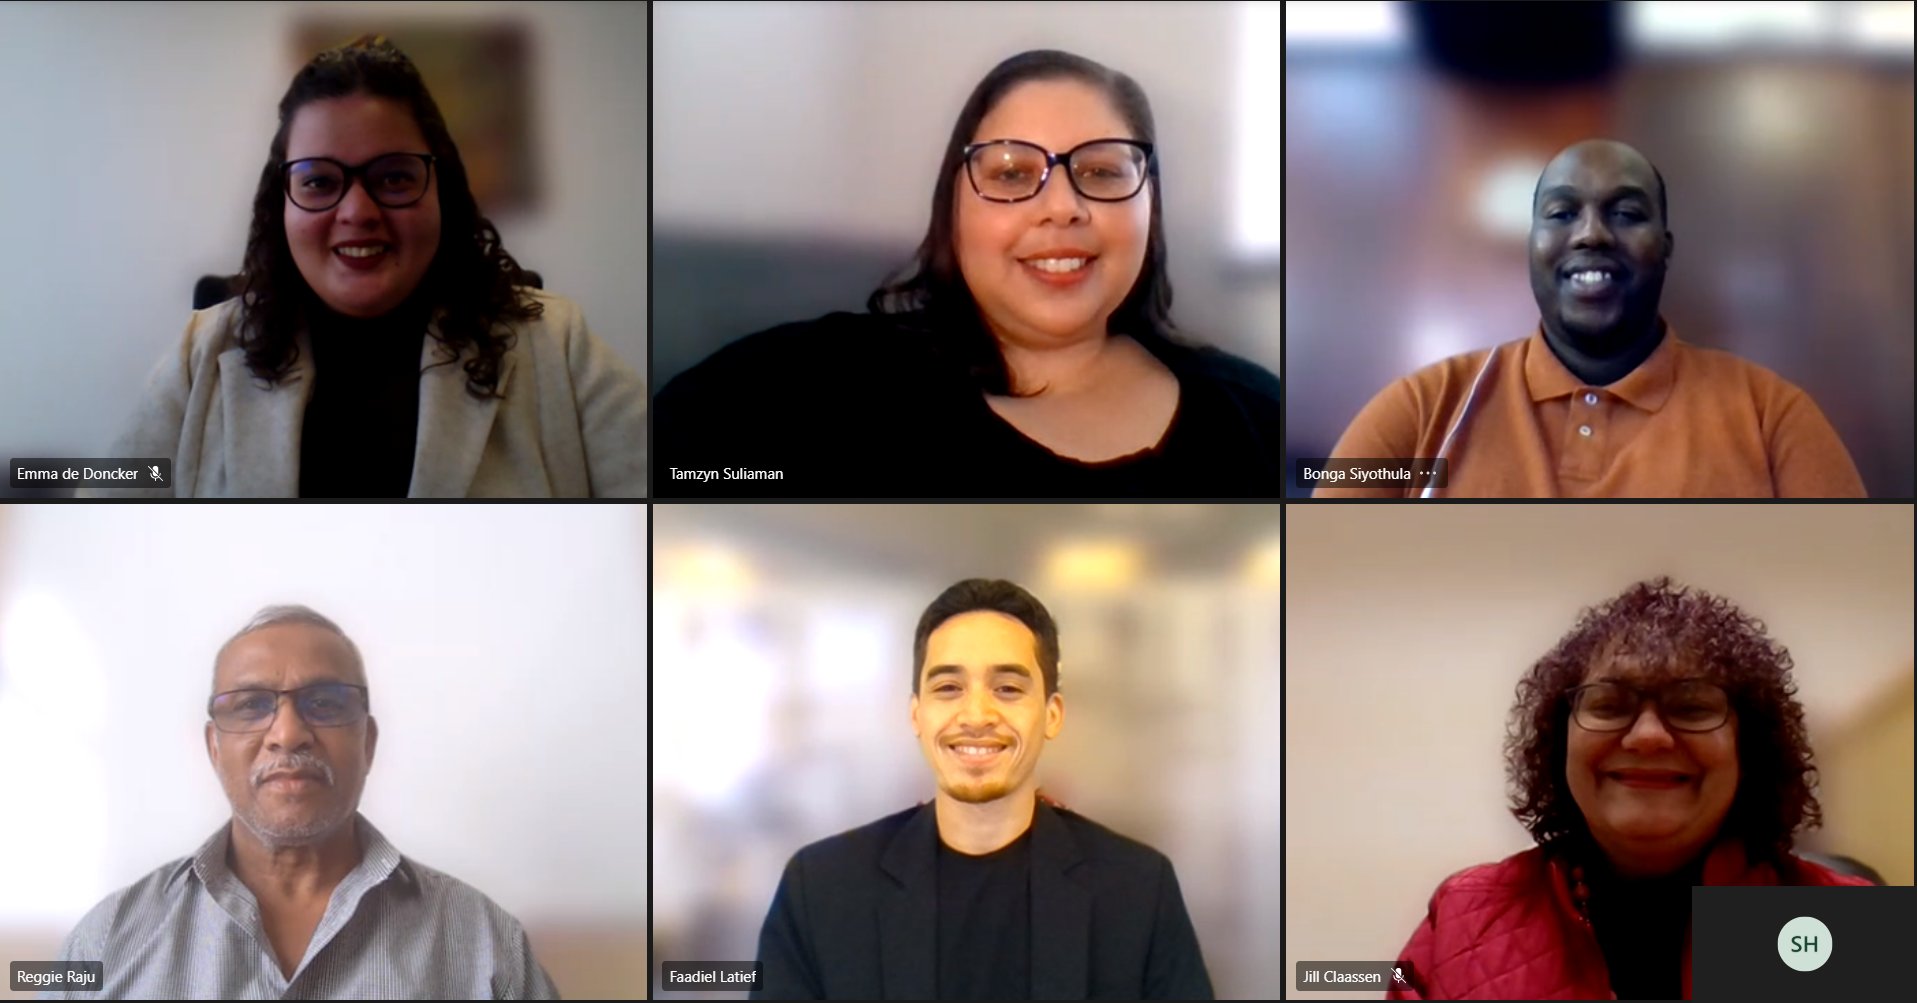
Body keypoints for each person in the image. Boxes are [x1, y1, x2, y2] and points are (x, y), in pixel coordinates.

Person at [654, 50, 1281, 498]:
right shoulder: (797, 391)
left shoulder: (1255, 415)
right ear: (954, 206)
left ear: (1151, 206)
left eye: (1102, 171)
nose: (1063, 206)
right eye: (1011, 173)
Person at [96, 37, 645, 498]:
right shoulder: (202, 352)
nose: (357, 212)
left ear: (442, 195)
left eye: (394, 178)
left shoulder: (559, 344)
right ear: (280, 203)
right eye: (318, 181)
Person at [1390, 579, 1870, 1000]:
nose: (1647, 736)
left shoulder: (1846, 920)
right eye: (1609, 704)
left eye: (1692, 706)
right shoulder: (1459, 915)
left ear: (1749, 750)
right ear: (1561, 742)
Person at [44, 606, 558, 999]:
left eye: (326, 704)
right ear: (213, 747)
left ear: (368, 743)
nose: (288, 734)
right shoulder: (104, 939)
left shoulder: (488, 944)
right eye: (251, 706)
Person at [1319, 139, 1864, 498]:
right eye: (1561, 214)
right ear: (1532, 244)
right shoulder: (1423, 411)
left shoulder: (1771, 418)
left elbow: (1851, 579)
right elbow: (1320, 539)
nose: (1591, 234)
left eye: (1626, 213)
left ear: (1666, 247)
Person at [751, 579, 1213, 1000]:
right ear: (916, 714)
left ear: (1052, 714)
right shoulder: (821, 889)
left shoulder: (1137, 890)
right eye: (948, 687)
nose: (975, 715)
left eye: (1008, 688)